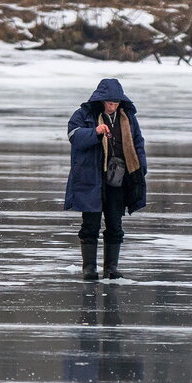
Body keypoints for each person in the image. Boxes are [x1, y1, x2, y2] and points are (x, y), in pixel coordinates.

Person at [64, 78, 147, 280]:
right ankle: (89, 268)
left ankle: (111, 268)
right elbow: (74, 137)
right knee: (90, 224)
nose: (113, 106)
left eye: (116, 103)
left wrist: (140, 169)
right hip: (91, 177)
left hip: (118, 180)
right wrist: (94, 132)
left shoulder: (127, 118)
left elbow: (138, 143)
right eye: (110, 103)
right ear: (101, 101)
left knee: (115, 224)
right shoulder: (84, 114)